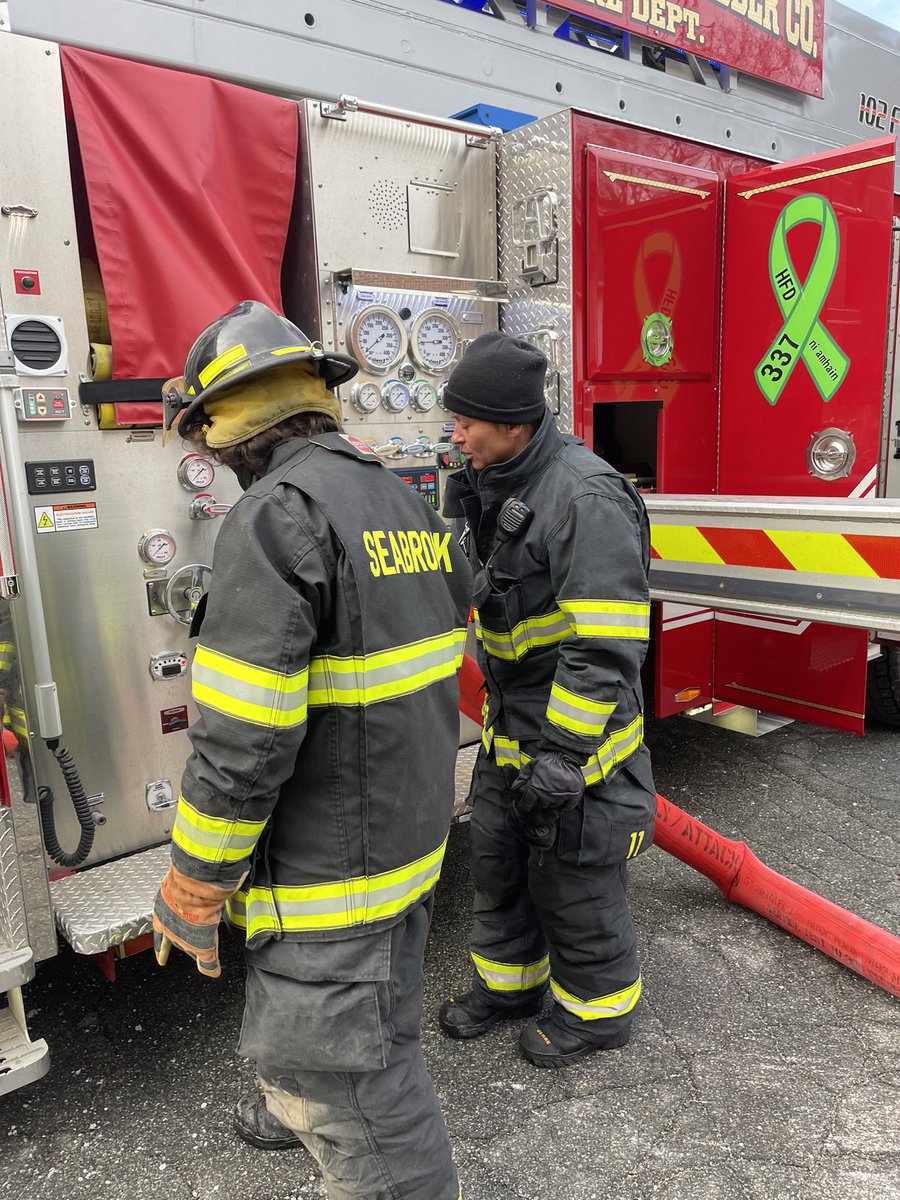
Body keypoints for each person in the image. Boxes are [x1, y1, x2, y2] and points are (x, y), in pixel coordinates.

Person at [153, 300, 471, 1199]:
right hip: (403, 848)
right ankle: (287, 1097)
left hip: (334, 875)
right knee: (370, 1030)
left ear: (222, 424)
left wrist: (195, 881)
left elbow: (242, 741)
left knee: (360, 1095)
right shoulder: (395, 495)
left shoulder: (273, 517)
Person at [438, 331, 656, 1067]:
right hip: (512, 738)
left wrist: (563, 757)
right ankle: (511, 988)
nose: (455, 432)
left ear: (515, 424)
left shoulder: (582, 497)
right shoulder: (496, 483)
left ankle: (599, 1013)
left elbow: (605, 647)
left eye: (467, 420)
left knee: (573, 885)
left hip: (578, 751)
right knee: (497, 870)